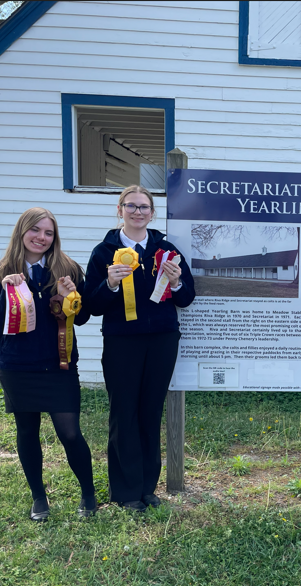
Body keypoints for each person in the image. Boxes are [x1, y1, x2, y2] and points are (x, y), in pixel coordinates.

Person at [84, 185, 195, 512]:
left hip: (162, 340)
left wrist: (175, 282)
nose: (137, 212)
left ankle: (148, 488)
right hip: (121, 342)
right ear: (120, 210)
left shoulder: (167, 251)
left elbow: (187, 298)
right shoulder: (104, 253)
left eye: (144, 207)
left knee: (149, 413)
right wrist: (111, 284)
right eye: (131, 206)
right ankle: (125, 492)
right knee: (123, 414)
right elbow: (91, 304)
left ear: (152, 213)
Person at [0, 207, 95, 521]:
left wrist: (72, 297)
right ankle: (39, 498)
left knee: (70, 434)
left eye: (49, 233)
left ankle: (88, 494)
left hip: (59, 366)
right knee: (27, 431)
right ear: (22, 231)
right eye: (36, 230)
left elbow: (82, 319)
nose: (41, 238)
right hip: (18, 367)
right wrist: (6, 292)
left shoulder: (67, 269)